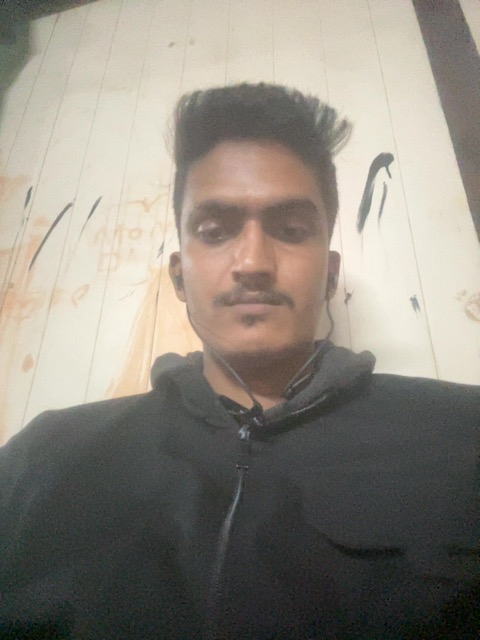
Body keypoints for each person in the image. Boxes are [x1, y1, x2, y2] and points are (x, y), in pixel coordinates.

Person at [0, 83, 478, 640]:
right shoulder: (44, 460)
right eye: (215, 231)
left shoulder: (463, 437)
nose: (253, 262)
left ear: (329, 274)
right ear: (179, 276)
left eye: (291, 230)